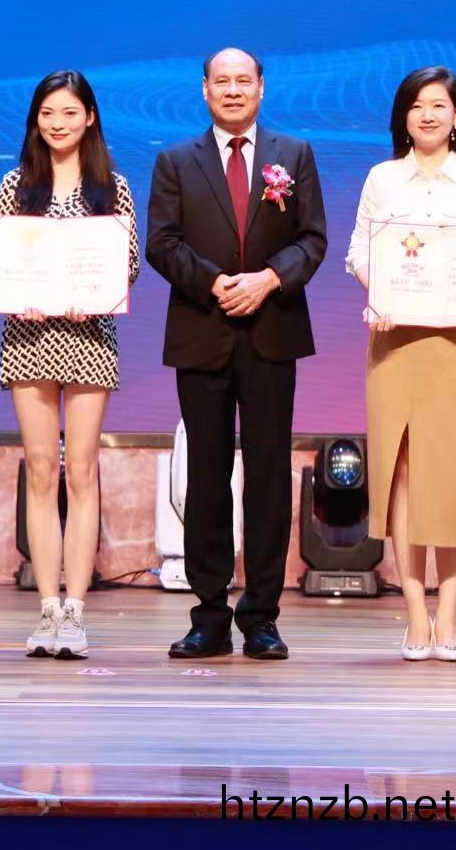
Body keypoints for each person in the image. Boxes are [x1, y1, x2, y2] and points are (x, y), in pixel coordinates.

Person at [147, 47, 326, 660]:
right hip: (203, 330)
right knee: (206, 476)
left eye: (242, 80)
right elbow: (162, 242)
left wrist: (269, 280)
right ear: (204, 89)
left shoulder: (293, 154)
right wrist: (215, 282)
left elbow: (313, 239)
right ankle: (209, 614)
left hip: (272, 330)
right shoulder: (176, 161)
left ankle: (262, 616)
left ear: (261, 87)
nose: (232, 90)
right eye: (220, 81)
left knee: (270, 477)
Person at [346, 66, 456, 663]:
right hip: (397, 342)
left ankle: (450, 616)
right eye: (416, 105)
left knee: (453, 475)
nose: (428, 114)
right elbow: (359, 251)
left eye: (439, 104)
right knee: (406, 474)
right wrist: (380, 290)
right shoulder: (383, 178)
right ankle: (415, 614)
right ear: (403, 117)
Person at [0, 71, 140, 659]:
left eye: (69, 112)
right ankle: (47, 607)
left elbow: (128, 264)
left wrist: (94, 294)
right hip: (28, 337)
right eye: (48, 113)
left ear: (90, 117)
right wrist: (19, 293)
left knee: (80, 471)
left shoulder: (112, 187)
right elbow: (4, 263)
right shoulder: (15, 185)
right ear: (36, 119)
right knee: (39, 470)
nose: (58, 123)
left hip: (89, 337)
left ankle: (76, 610)